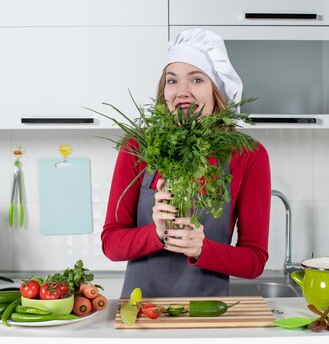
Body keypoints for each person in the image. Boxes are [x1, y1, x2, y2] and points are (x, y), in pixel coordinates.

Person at [101, 28, 271, 298]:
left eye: (196, 80)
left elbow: (254, 261)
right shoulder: (137, 147)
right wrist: (156, 233)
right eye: (172, 81)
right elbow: (111, 244)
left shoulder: (248, 155)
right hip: (143, 315)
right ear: (163, 91)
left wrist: (203, 249)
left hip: (208, 316)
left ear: (217, 92)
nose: (182, 92)